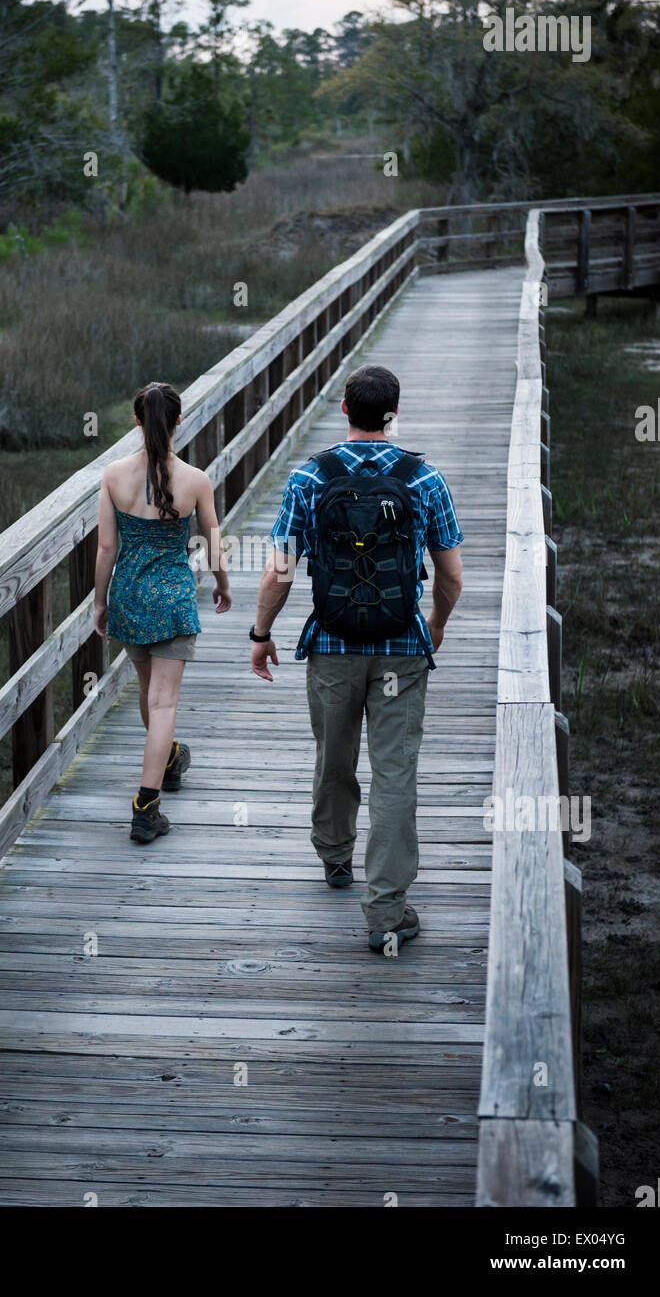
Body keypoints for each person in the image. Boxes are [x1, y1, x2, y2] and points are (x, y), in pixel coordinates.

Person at [249, 364, 464, 953]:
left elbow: (279, 569)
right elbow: (450, 574)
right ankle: (386, 912)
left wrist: (260, 633)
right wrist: (436, 623)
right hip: (400, 650)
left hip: (332, 648)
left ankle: (336, 856)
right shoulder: (425, 479)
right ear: (393, 413)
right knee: (394, 771)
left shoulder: (310, 479)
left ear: (344, 409)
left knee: (333, 751)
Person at [94, 381, 231, 843]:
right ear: (177, 421)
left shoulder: (113, 474)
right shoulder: (194, 479)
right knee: (164, 701)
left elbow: (107, 546)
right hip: (172, 597)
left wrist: (100, 602)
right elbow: (212, 541)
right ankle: (146, 806)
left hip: (129, 595)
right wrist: (223, 584)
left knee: (149, 692)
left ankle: (169, 759)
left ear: (136, 420)